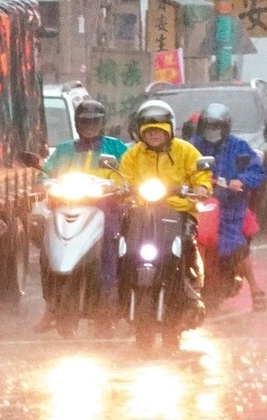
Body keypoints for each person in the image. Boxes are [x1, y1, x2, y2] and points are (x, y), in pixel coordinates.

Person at [34, 99, 127, 333]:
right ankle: (51, 306)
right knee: (47, 251)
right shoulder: (65, 149)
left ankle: (108, 305)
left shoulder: (116, 148)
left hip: (105, 210)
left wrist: (120, 186)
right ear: (77, 124)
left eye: (94, 122)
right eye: (84, 122)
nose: (89, 127)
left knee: (110, 249)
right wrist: (43, 182)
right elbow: (47, 172)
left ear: (103, 123)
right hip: (67, 206)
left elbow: (130, 172)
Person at [117, 100, 212, 310]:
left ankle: (191, 276)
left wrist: (201, 187)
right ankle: (122, 288)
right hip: (142, 211)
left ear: (169, 129)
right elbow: (122, 178)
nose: (153, 135)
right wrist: (119, 188)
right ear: (140, 133)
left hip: (178, 211)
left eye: (159, 130)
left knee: (187, 242)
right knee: (123, 246)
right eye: (149, 131)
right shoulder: (133, 154)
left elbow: (201, 173)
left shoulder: (186, 150)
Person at [190, 103, 267, 311]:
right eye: (208, 126)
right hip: (197, 206)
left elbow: (257, 171)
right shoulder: (192, 146)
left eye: (216, 127)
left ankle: (255, 287)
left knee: (235, 245)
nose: (212, 131)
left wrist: (241, 181)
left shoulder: (239, 147)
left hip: (229, 209)